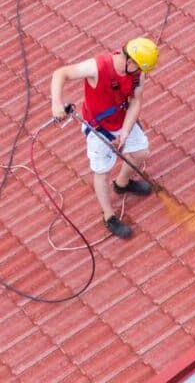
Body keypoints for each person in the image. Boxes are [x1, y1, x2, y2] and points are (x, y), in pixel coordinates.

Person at [50, 37, 160, 239]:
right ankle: (108, 216)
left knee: (141, 153)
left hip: (122, 120)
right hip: (98, 128)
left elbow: (135, 102)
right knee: (102, 172)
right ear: (130, 61)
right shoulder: (98, 67)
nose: (141, 73)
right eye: (138, 69)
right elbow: (61, 73)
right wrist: (56, 103)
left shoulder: (137, 75)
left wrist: (125, 131)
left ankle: (122, 183)